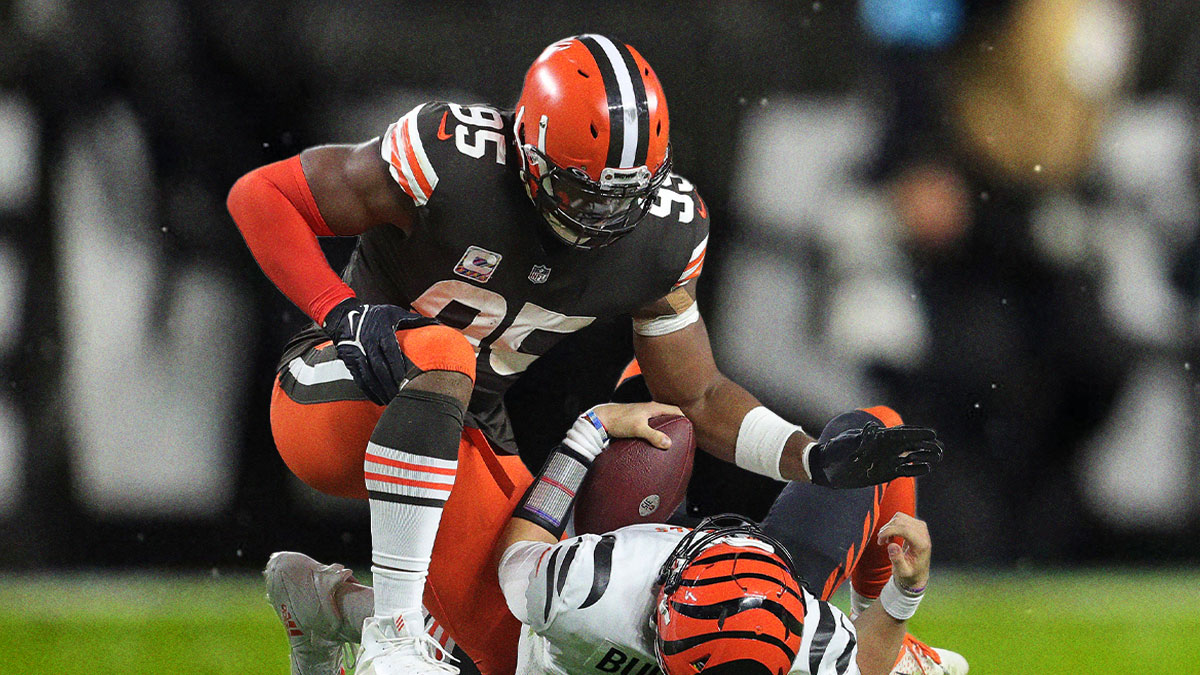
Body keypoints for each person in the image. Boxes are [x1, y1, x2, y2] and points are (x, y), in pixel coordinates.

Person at [227, 34, 944, 675]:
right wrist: (341, 311)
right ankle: (392, 632)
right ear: (528, 148)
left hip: (467, 428)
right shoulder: (455, 156)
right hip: (340, 389)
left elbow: (694, 396)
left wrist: (808, 457)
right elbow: (261, 196)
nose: (602, 215)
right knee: (446, 350)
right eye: (582, 192)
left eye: (622, 197)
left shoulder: (663, 231)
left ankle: (321, 601)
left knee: (510, 652)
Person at [264, 403, 967, 675]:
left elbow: (869, 666)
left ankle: (328, 602)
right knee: (473, 651)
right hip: (567, 636)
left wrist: (902, 595)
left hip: (745, 572)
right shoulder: (590, 585)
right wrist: (590, 430)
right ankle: (334, 605)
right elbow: (521, 554)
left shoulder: (795, 623)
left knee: (873, 431)